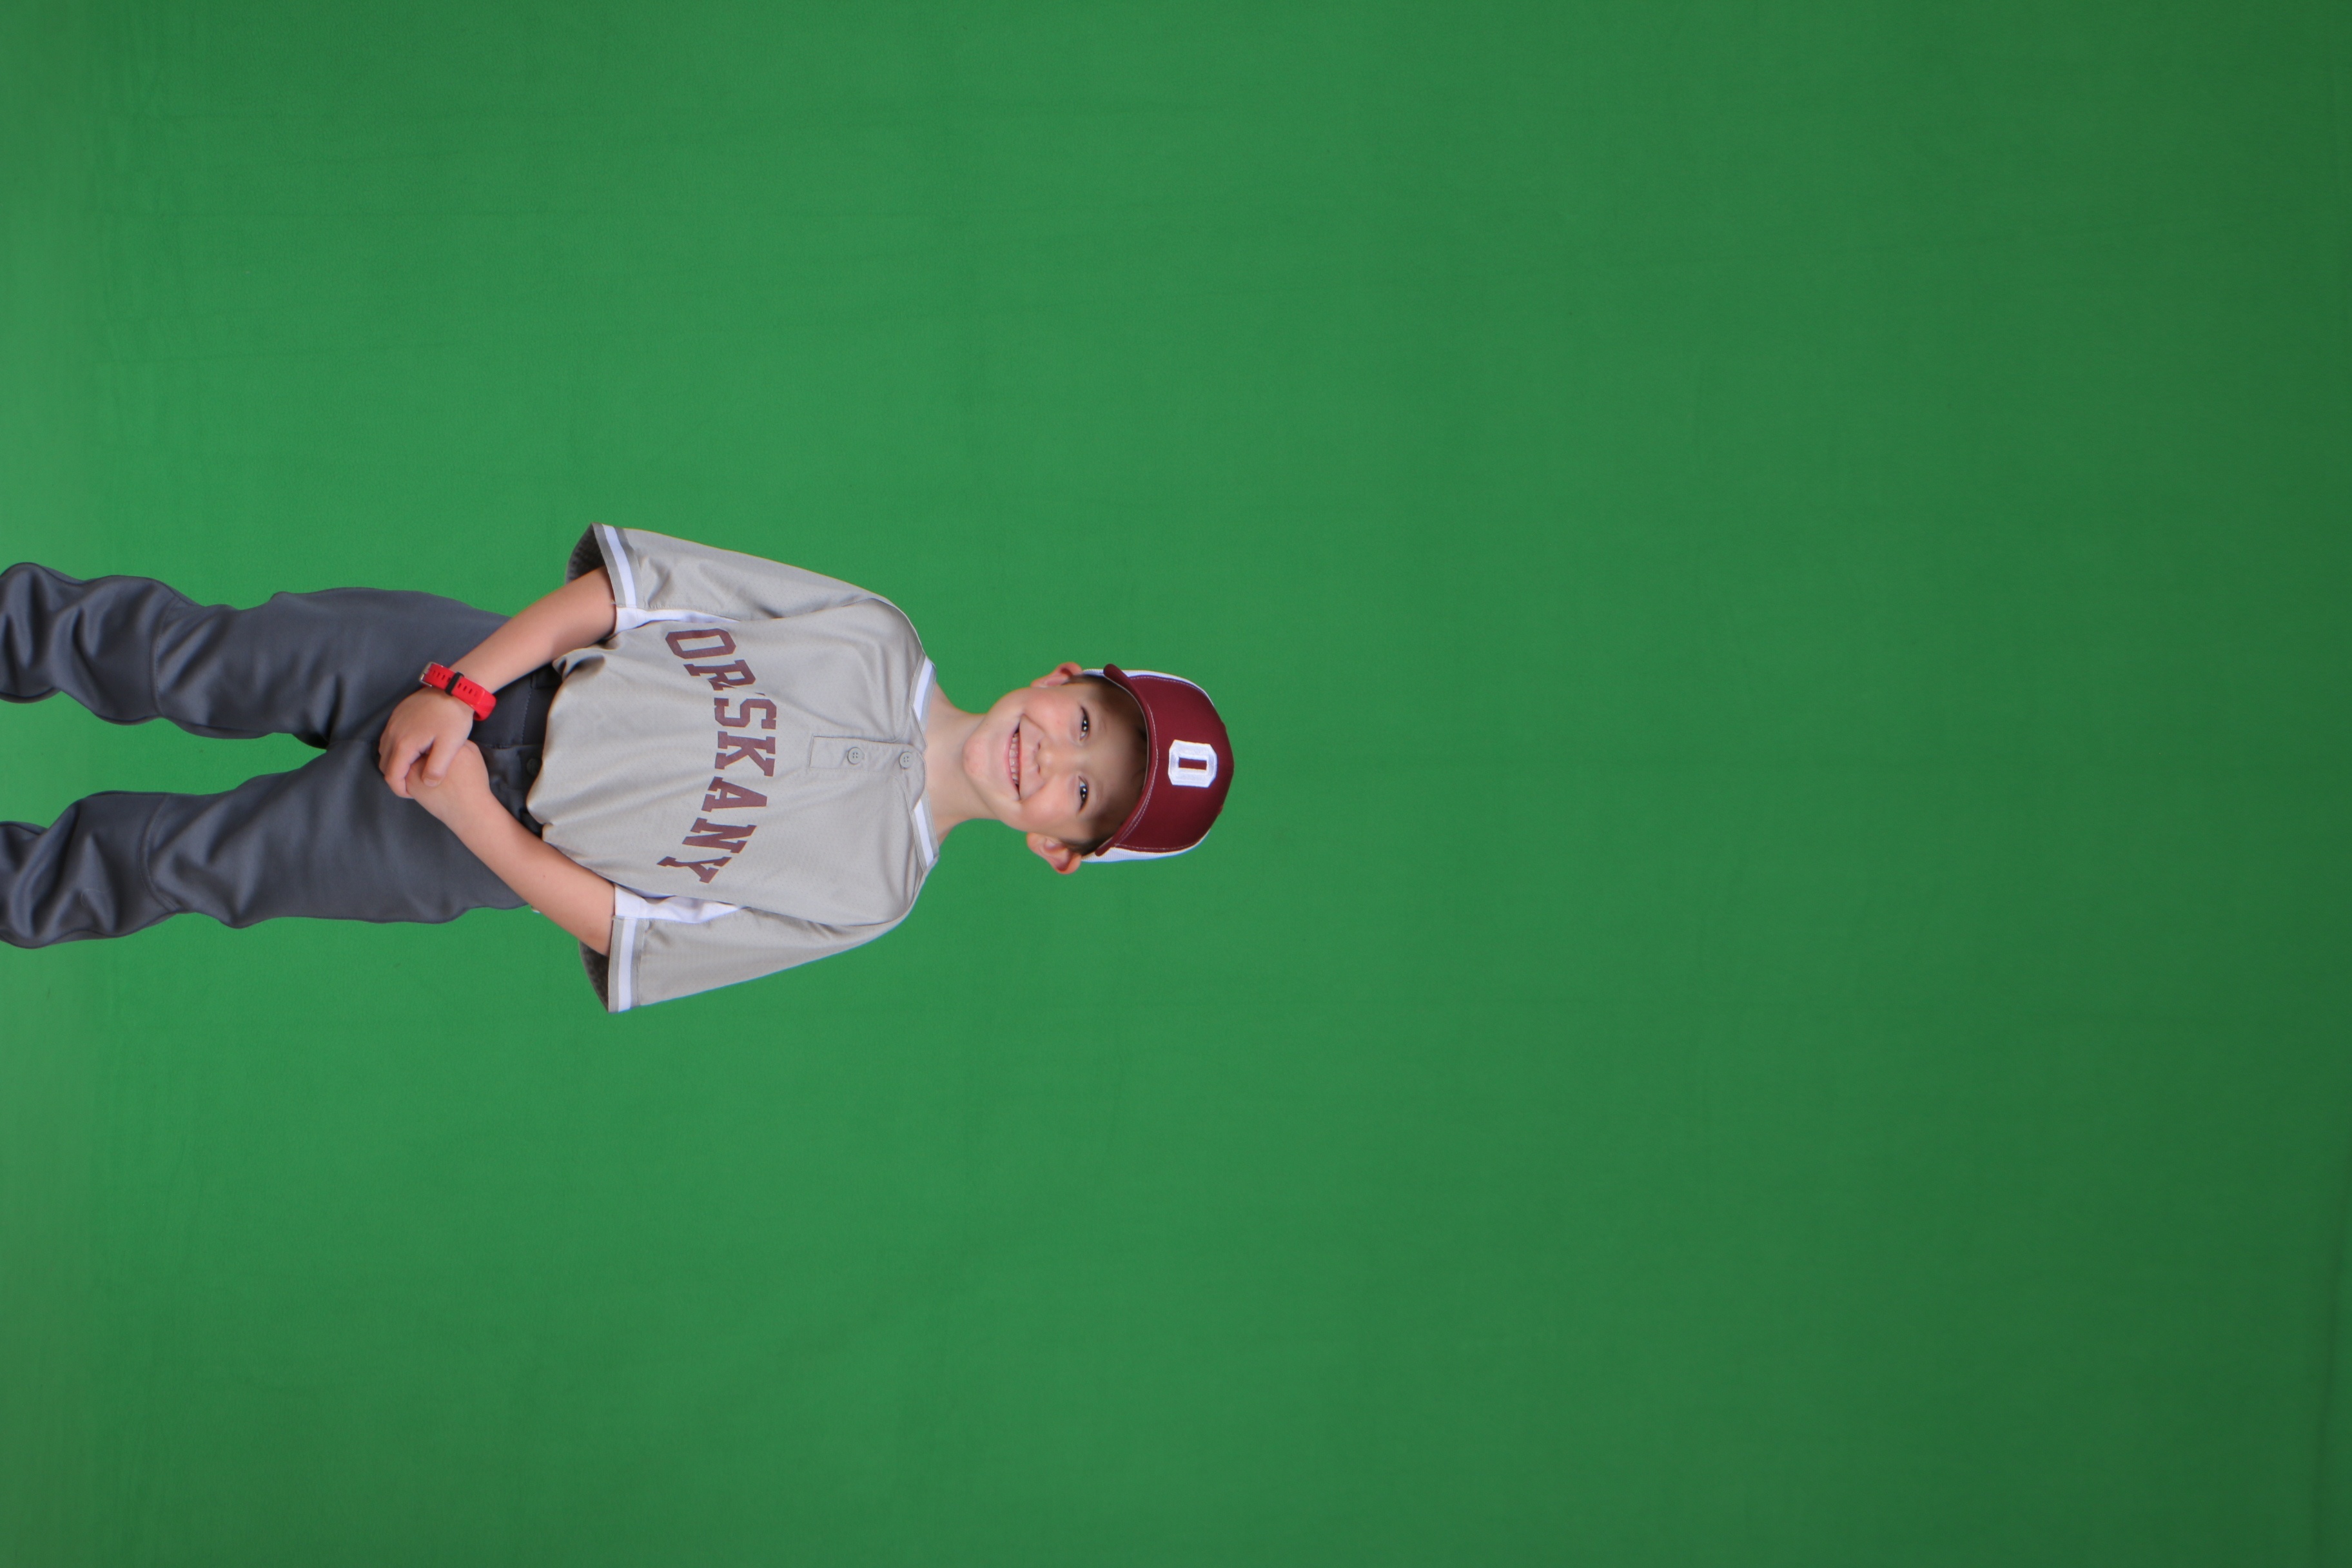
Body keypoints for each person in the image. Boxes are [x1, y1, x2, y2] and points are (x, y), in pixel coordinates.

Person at [0, 525, 1235, 1010]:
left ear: (1058, 848)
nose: (1053, 753)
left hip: (469, 837)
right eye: (1086, 719)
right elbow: (632, 595)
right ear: (1063, 676)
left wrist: (471, 814)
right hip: (483, 668)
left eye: (1085, 790)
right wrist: (462, 689)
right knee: (194, 653)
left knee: (186, 863)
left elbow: (629, 928)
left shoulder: (871, 894)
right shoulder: (878, 635)